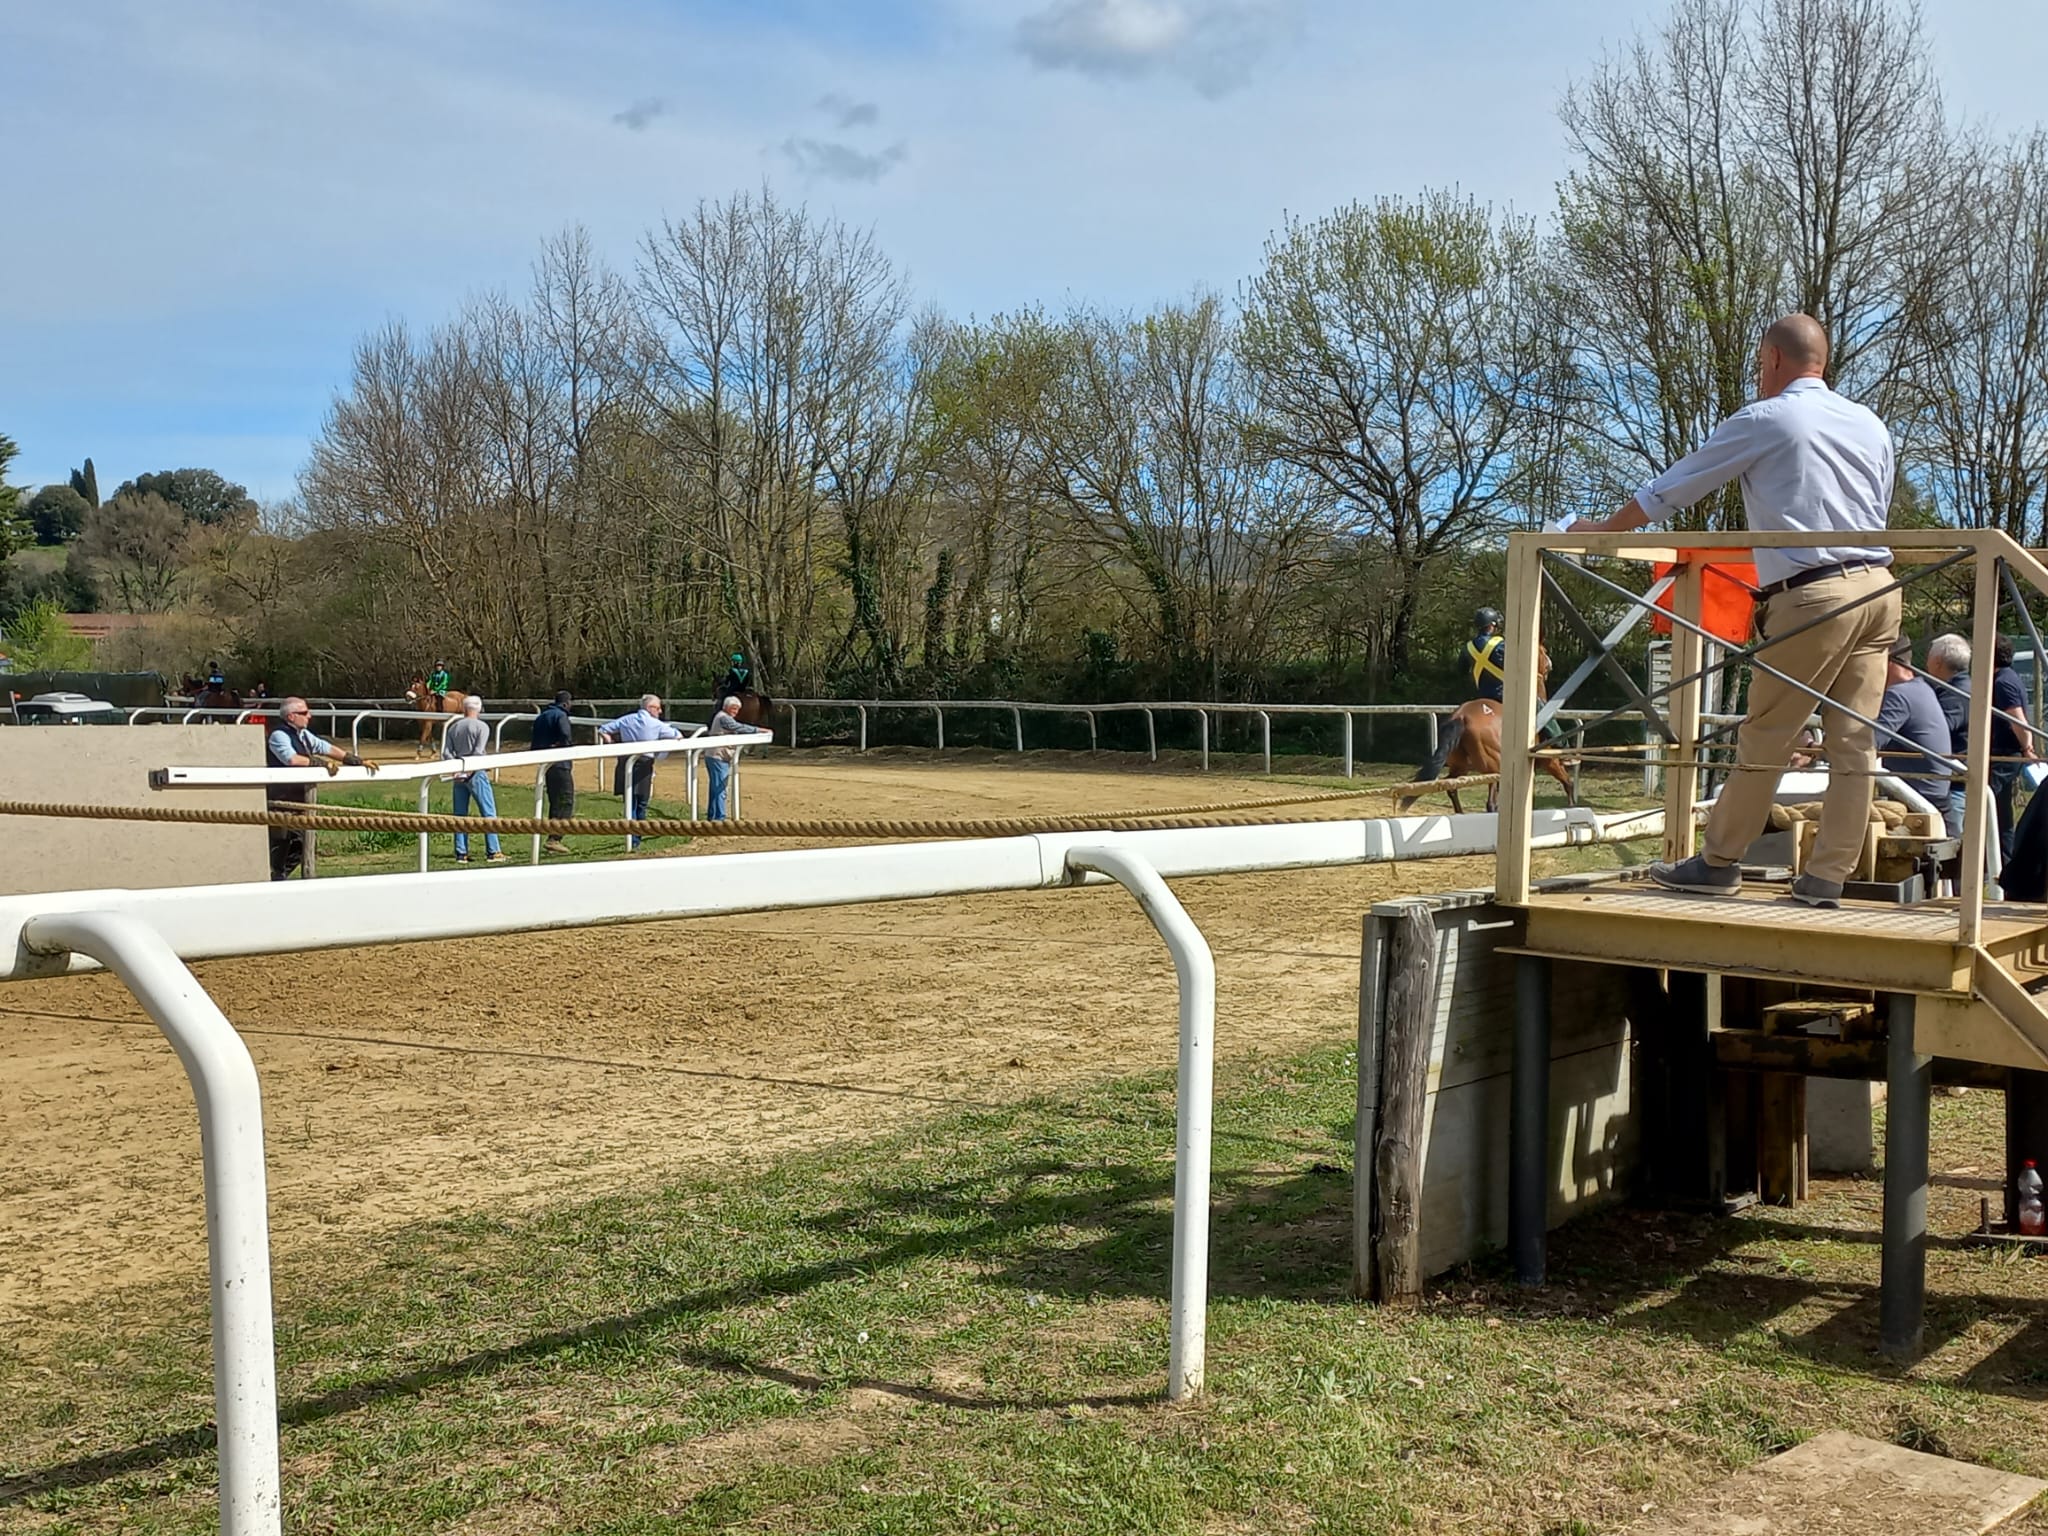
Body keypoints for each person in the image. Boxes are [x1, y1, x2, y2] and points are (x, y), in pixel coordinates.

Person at [1568, 314, 1897, 909]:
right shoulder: (1869, 423)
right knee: (1854, 743)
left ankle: (1719, 861)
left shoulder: (1768, 418)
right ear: (1822, 361)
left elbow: (1673, 489)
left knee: (1768, 734)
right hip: (1881, 589)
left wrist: (1603, 530)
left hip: (1813, 594)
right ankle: (1828, 875)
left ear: (1772, 359)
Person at [266, 696, 371, 880]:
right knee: (282, 845)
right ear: (291, 716)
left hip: (299, 802)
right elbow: (291, 759)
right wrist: (320, 763)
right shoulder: (279, 735)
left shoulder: (303, 735)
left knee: (301, 844)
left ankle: (278, 879)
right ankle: (276, 878)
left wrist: (354, 760)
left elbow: (325, 748)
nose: (309, 716)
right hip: (280, 802)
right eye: (305, 712)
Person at [1877, 637, 1956, 832]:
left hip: (1919, 805)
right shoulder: (1921, 688)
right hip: (1937, 801)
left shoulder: (1899, 696)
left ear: (1885, 661)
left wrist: (1813, 748)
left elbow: (1867, 744)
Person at [597, 693, 682, 850]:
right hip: (644, 764)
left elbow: (603, 729)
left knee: (629, 801)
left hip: (625, 762)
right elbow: (677, 735)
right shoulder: (656, 724)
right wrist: (661, 752)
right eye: (658, 708)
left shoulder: (626, 719)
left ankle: (633, 837)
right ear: (650, 708)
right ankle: (636, 837)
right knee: (641, 803)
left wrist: (611, 742)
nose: (660, 711)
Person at [1989, 637, 2039, 861]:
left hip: (2004, 755)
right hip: (2005, 753)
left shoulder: (2002, 682)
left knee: (1989, 806)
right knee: (2001, 813)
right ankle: (2004, 860)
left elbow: (2017, 719)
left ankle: (2000, 860)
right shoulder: (2008, 678)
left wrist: (2027, 747)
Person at [443, 694, 502, 864]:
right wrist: (469, 770)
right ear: (479, 708)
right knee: (488, 812)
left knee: (460, 814)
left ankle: (461, 853)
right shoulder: (482, 727)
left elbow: (446, 752)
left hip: (458, 774)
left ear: (464, 708)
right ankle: (493, 851)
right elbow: (478, 751)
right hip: (476, 773)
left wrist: (457, 769)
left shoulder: (453, 727)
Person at [1924, 633, 1972, 838]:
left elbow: (1939, 728)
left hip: (1952, 788)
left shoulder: (1955, 694)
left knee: (1948, 843)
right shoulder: (1960, 688)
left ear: (1937, 662)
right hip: (1951, 782)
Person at [704, 695, 770, 820]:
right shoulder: (724, 718)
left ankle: (713, 816)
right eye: (734, 708)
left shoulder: (722, 716)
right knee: (720, 789)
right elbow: (739, 727)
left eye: (737, 709)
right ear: (726, 707)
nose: (736, 712)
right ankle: (719, 818)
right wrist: (759, 730)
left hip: (715, 756)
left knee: (716, 788)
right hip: (718, 757)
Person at [530, 689, 577, 853]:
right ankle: (555, 838)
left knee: (555, 801)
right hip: (560, 764)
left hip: (546, 764)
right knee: (566, 800)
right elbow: (566, 736)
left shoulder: (541, 716)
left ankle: (552, 836)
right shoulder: (561, 716)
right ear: (566, 703)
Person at [1467, 609, 1506, 703]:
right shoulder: (1501, 645)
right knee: (1538, 704)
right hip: (1503, 696)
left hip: (1480, 696)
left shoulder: (1468, 647)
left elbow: (1462, 672)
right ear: (1492, 625)